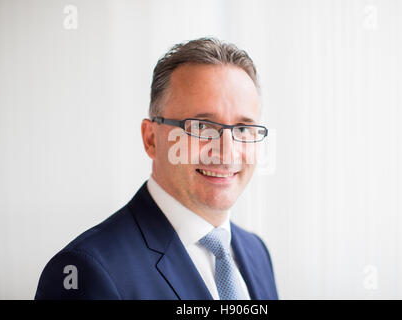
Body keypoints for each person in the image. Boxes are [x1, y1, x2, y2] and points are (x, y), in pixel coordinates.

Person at [35, 37, 278, 300]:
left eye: (243, 129)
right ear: (151, 139)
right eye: (201, 127)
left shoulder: (256, 253)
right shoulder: (87, 272)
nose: (227, 151)